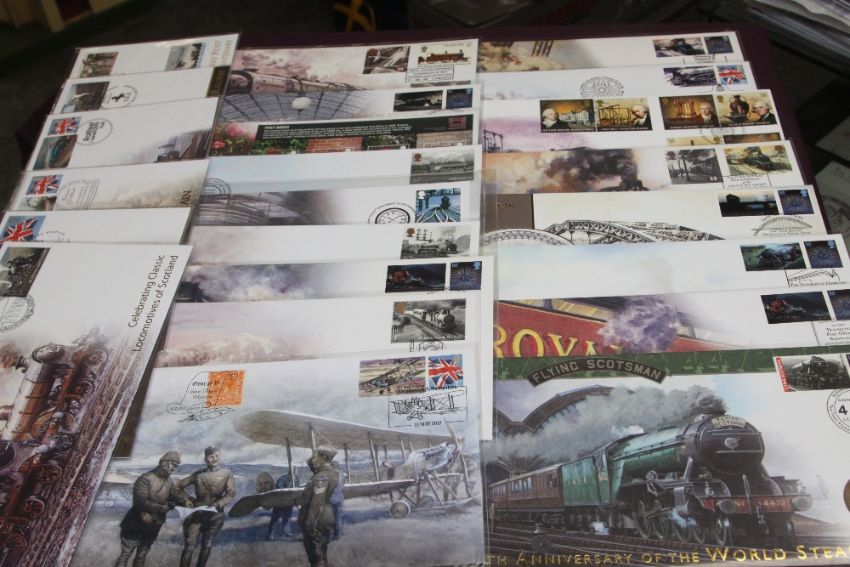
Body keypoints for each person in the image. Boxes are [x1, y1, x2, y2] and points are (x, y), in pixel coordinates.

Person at [115, 451, 191, 567]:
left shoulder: (169, 481)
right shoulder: (145, 478)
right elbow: (140, 502)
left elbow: (175, 495)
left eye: (176, 466)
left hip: (154, 524)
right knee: (126, 554)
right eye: (172, 464)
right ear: (164, 462)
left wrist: (185, 501)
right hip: (136, 523)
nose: (173, 468)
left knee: (142, 554)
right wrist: (160, 508)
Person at [177, 447, 236, 567]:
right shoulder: (198, 475)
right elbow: (178, 486)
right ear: (205, 459)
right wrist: (186, 500)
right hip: (196, 515)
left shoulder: (227, 473)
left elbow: (231, 493)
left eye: (216, 456)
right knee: (189, 544)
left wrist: (218, 504)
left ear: (219, 457)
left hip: (215, 515)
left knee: (207, 544)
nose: (214, 459)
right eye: (210, 456)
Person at [298, 445, 341, 567]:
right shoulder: (330, 474)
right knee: (322, 552)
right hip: (324, 517)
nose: (312, 459)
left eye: (315, 457)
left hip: (317, 520)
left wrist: (309, 523)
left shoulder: (321, 477)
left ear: (324, 457)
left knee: (316, 556)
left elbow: (317, 501)